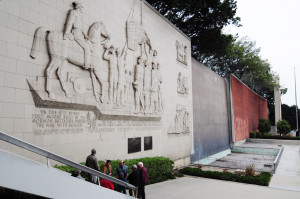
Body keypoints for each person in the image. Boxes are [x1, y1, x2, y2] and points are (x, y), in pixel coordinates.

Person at [63, 2, 91, 69]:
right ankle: (86, 65)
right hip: (76, 33)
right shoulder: (73, 12)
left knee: (89, 46)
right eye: (82, 7)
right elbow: (69, 23)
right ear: (79, 7)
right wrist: (66, 33)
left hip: (80, 33)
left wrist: (86, 36)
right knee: (87, 48)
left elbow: (82, 28)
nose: (82, 9)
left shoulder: (81, 16)